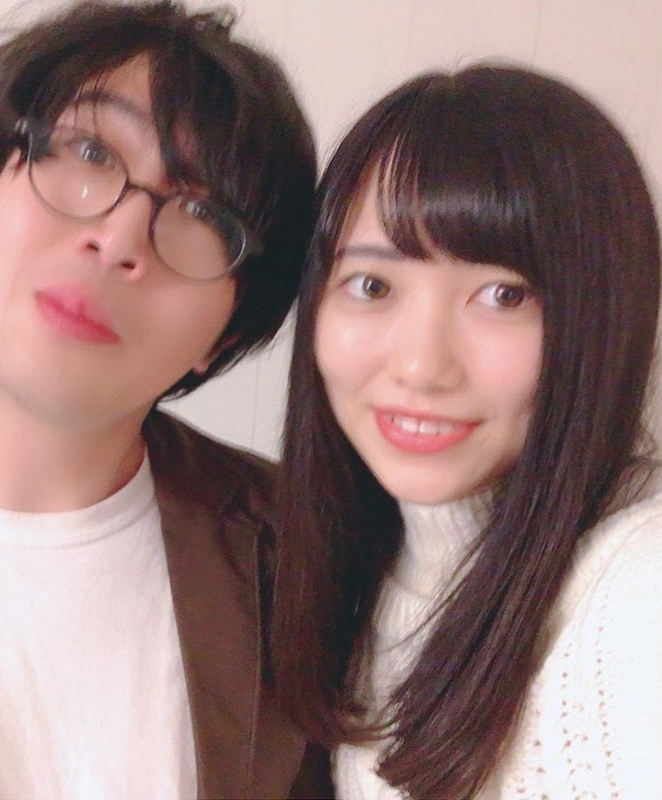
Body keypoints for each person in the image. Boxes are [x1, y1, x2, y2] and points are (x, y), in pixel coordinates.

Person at [0, 2, 326, 798]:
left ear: (225, 332)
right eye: (89, 151)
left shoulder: (304, 558)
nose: (117, 240)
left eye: (203, 213)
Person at [272, 63, 662, 799]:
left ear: (603, 316)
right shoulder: (349, 575)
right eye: (372, 285)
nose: (422, 367)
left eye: (504, 295)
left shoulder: (641, 592)